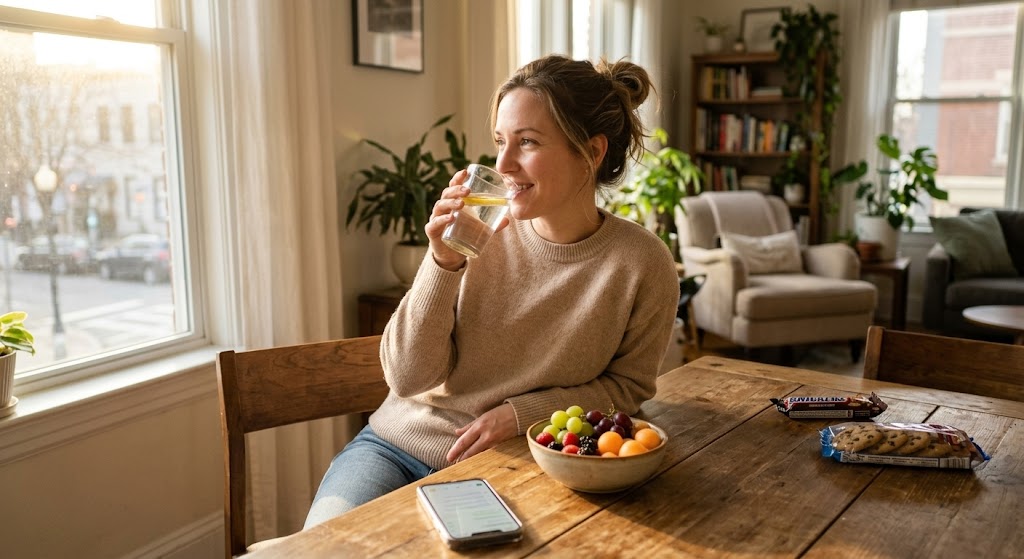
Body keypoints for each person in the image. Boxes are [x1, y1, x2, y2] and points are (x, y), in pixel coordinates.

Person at [304, 54, 680, 528]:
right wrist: (442, 261)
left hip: (517, 464)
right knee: (322, 547)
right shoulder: (478, 231)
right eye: (501, 141)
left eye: (527, 142)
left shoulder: (642, 263)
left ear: (592, 151)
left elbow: (628, 388)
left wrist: (521, 414)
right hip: (395, 449)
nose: (503, 164)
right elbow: (407, 378)